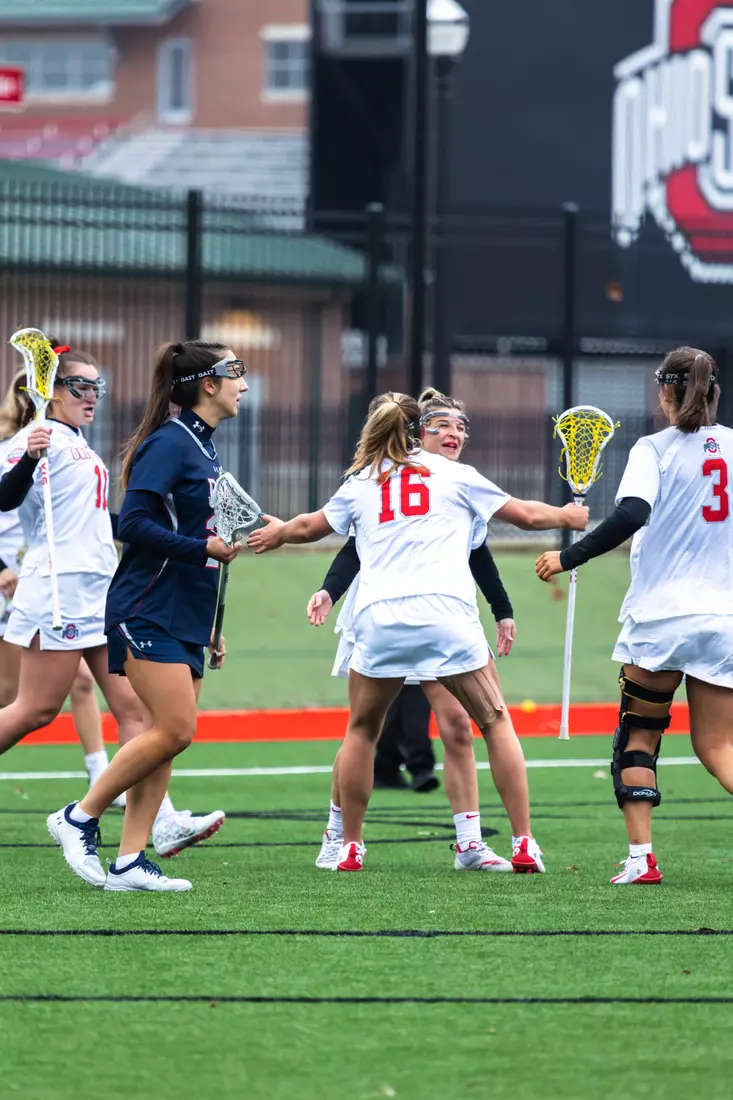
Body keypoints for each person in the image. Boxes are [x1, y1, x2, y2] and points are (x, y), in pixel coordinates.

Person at [250, 391, 587, 871]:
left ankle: (350, 846)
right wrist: (568, 517)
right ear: (418, 432)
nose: (455, 434)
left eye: (461, 426)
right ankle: (524, 842)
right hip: (445, 617)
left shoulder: (364, 479)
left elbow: (310, 527)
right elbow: (528, 517)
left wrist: (280, 532)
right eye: (444, 425)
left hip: (380, 619)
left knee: (362, 731)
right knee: (494, 722)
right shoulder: (457, 477)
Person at [48, 340, 246, 892]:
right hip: (146, 606)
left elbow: (193, 532)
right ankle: (78, 817)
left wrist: (210, 622)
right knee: (176, 728)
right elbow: (132, 524)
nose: (244, 384)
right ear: (208, 383)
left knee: (168, 735)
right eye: (237, 372)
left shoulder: (204, 449)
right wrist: (201, 548)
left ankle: (130, 859)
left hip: (186, 611)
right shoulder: (169, 443)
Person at [537, 347, 733, 885]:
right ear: (713, 391)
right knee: (719, 747)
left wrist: (566, 556)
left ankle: (641, 859)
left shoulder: (654, 448)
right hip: (723, 622)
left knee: (638, 737)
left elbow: (632, 513)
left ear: (665, 390)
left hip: (662, 621)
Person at [0, 368, 124, 803]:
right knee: (34, 707)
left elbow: (92, 520)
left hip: (97, 590)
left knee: (135, 709)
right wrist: (32, 458)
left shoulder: (78, 444)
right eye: (81, 387)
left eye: (97, 388)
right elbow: (4, 498)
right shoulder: (33, 439)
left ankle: (160, 820)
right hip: (56, 590)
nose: (92, 396)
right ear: (50, 392)